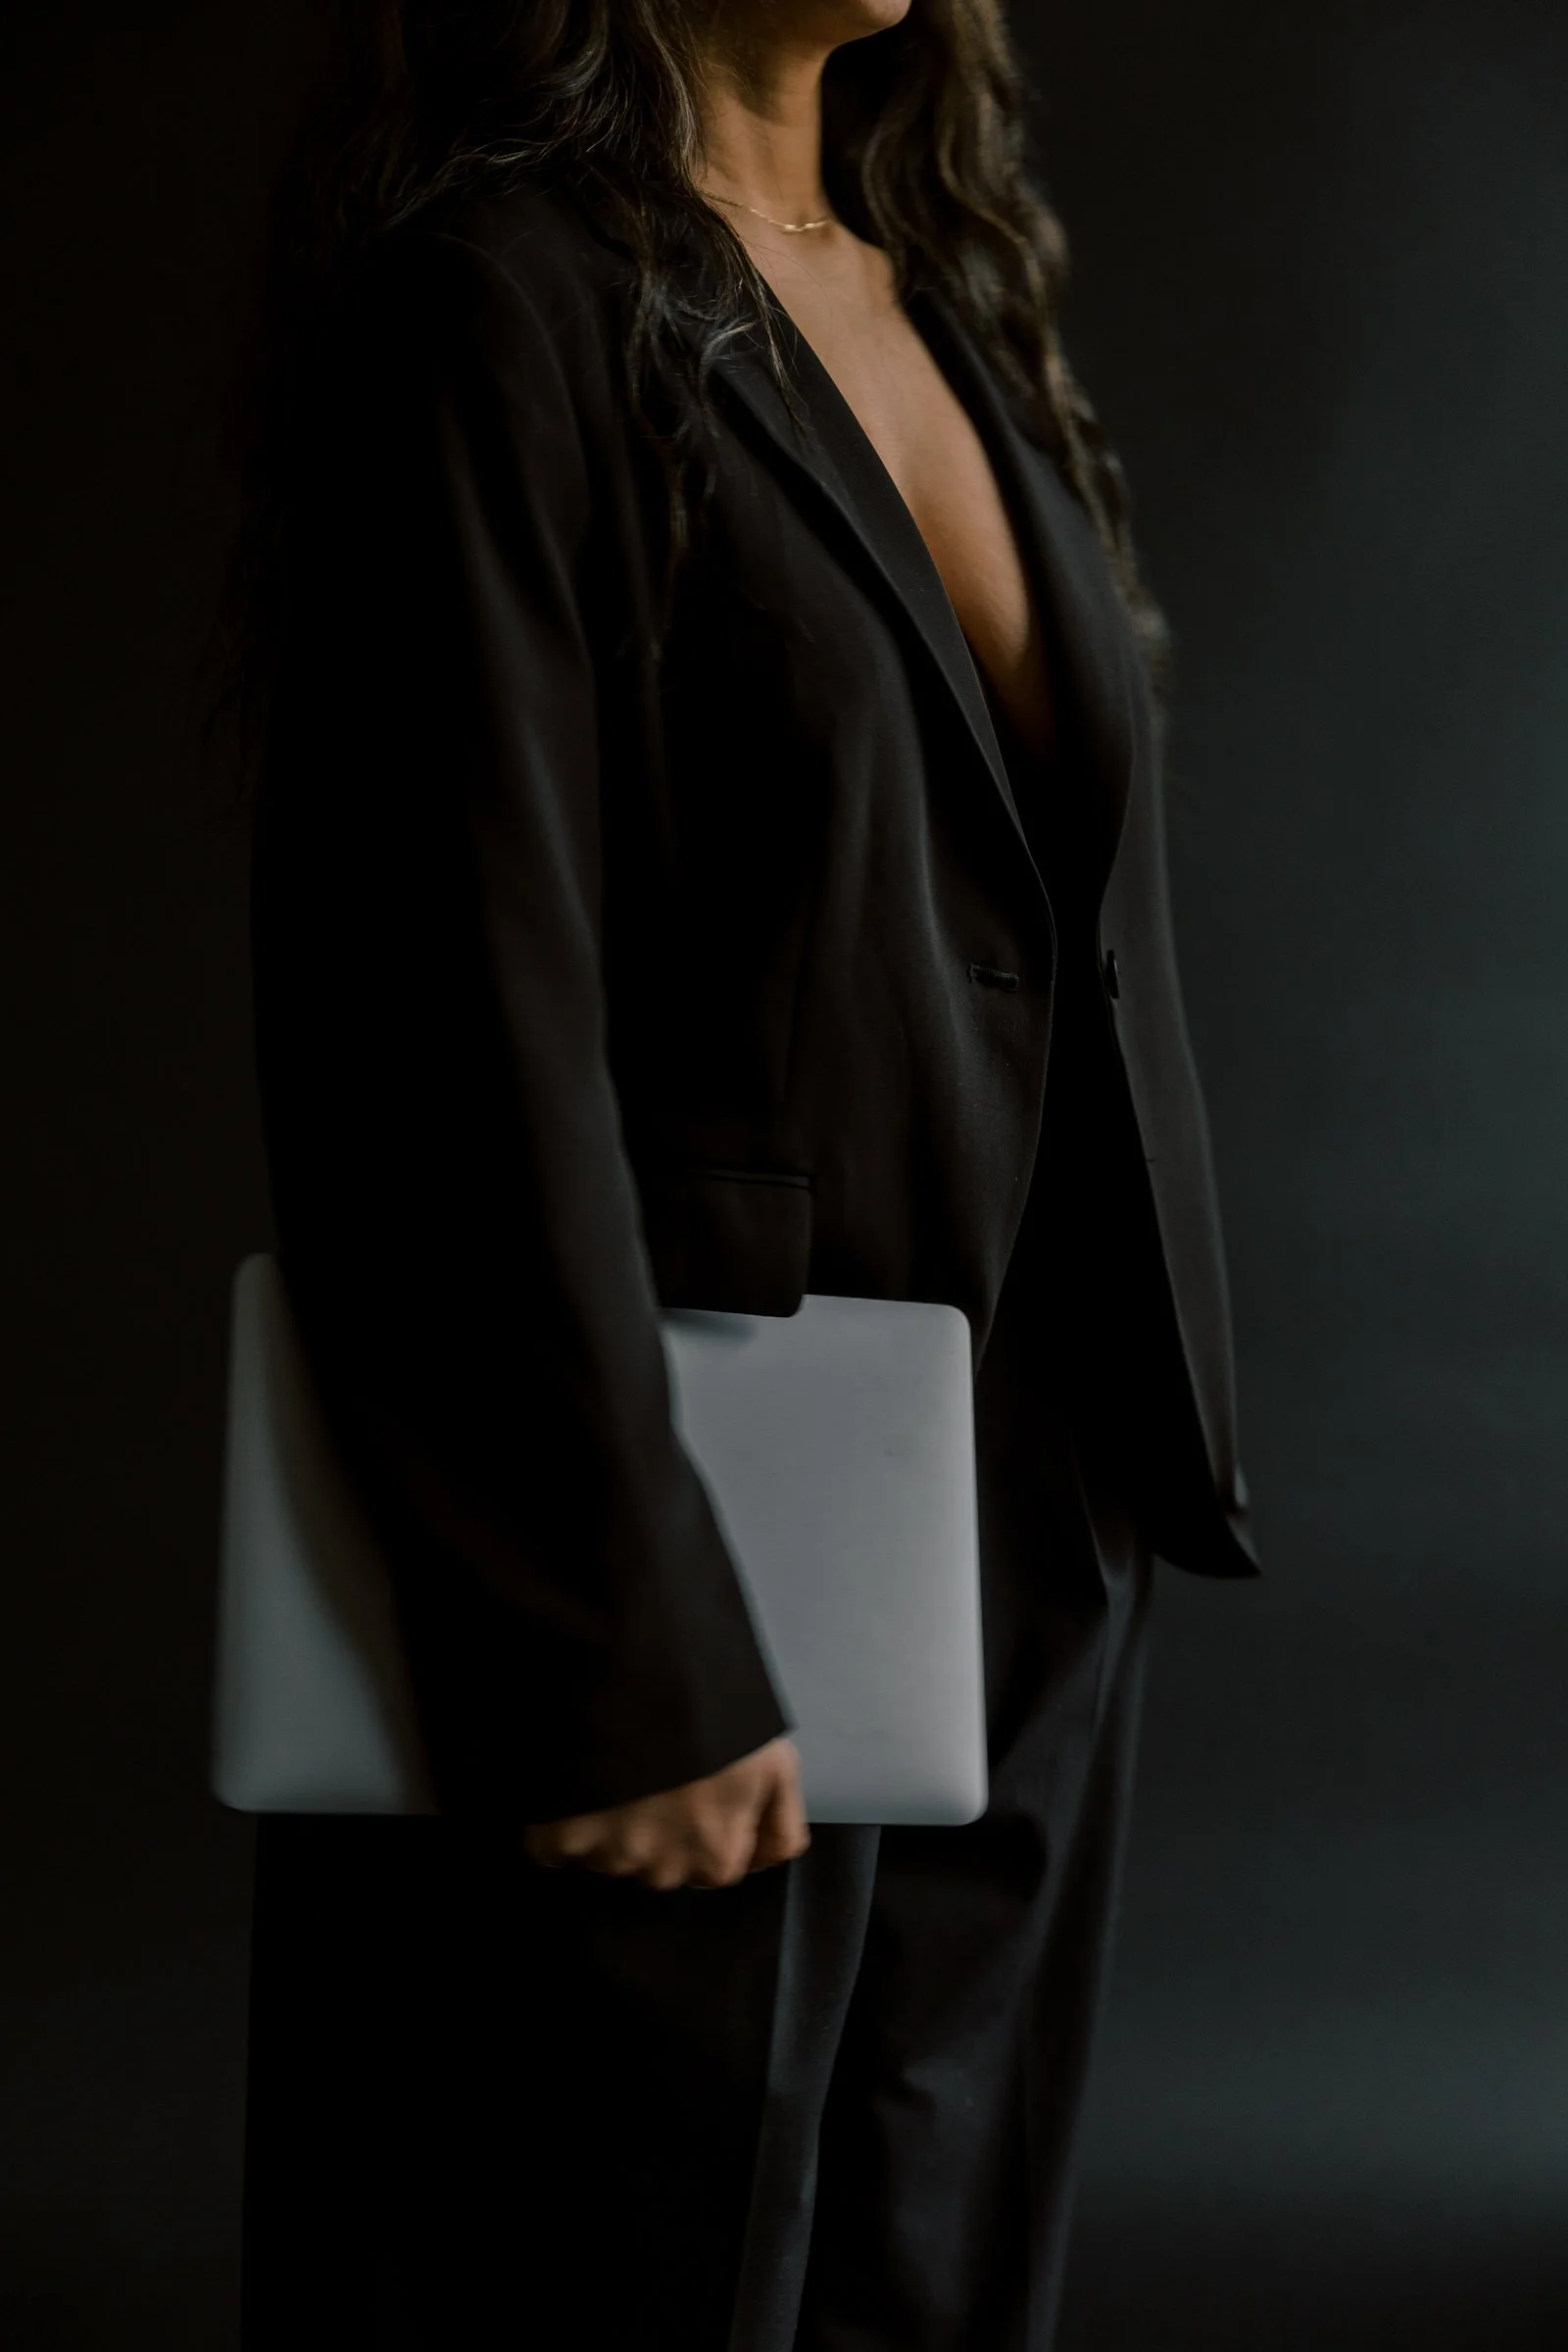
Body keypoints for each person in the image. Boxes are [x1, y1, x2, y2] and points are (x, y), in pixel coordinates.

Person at [235, 0, 1257, 2344]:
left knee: (926, 2262)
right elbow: (443, 1016)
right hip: (692, 1536)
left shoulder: (936, 291)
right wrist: (619, 1651)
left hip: (1022, 1523)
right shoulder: (492, 297)